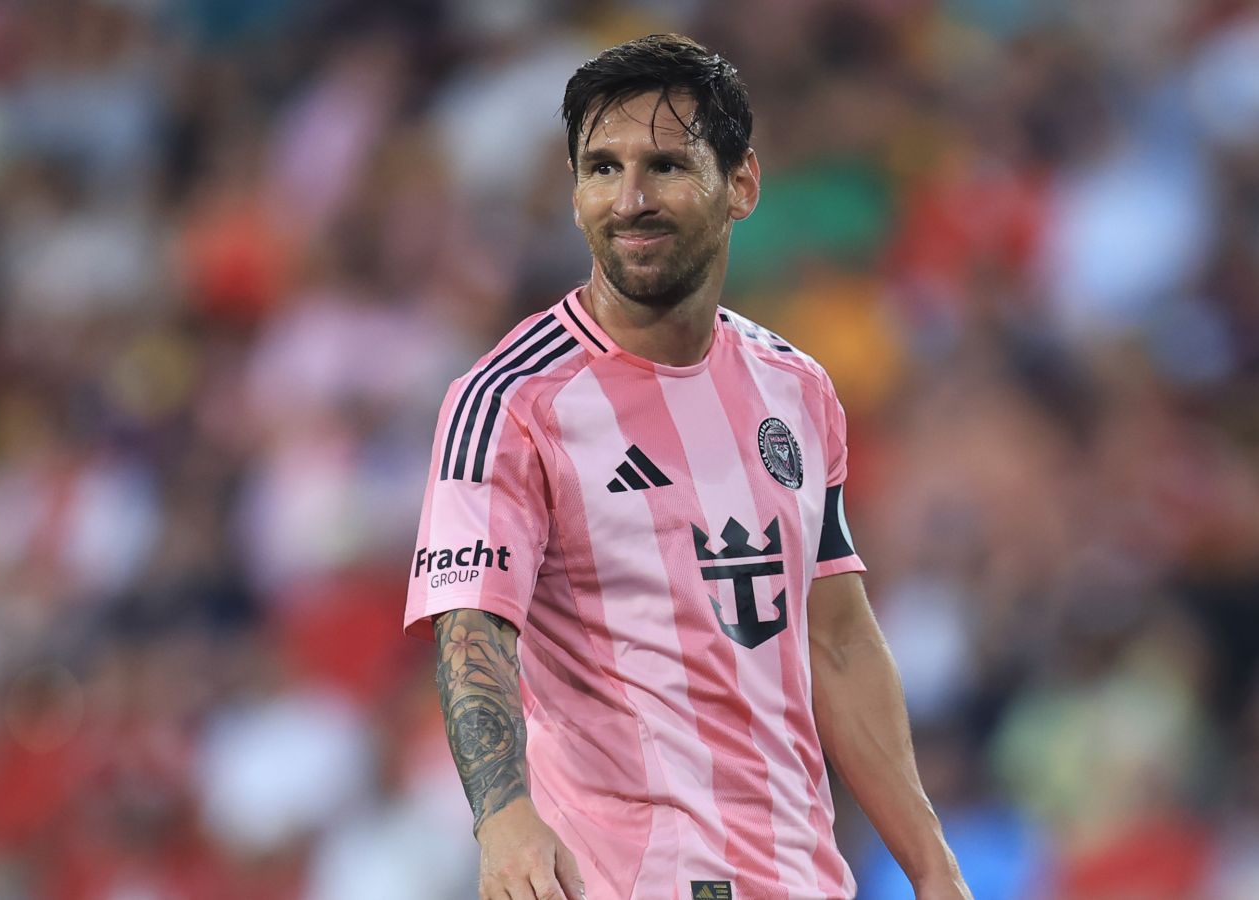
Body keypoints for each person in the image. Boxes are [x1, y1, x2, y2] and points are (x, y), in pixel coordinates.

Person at [404, 34, 972, 900]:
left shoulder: (797, 390)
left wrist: (932, 866)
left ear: (741, 184)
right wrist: (503, 816)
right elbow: (471, 627)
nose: (629, 199)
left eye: (665, 166)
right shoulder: (510, 401)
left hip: (800, 878)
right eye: (602, 169)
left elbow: (838, 638)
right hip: (625, 879)